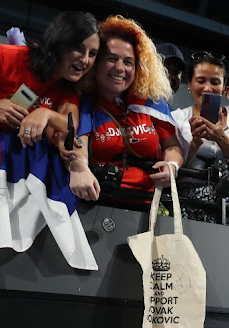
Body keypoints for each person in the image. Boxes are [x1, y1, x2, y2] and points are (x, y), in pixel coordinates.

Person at [64, 15, 183, 202]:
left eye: (128, 62)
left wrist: (172, 166)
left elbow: (173, 146)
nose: (120, 68)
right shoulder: (84, 102)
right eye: (112, 59)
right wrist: (80, 167)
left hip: (148, 205)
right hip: (96, 203)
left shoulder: (152, 104)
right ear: (95, 63)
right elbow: (79, 144)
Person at [172, 51, 229, 223]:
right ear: (189, 84)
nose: (208, 88)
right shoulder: (177, 117)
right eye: (201, 81)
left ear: (224, 87)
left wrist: (221, 138)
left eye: (215, 82)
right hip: (188, 201)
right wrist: (194, 143)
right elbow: (173, 172)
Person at [0, 11, 99, 149]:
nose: (85, 60)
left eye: (92, 54)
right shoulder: (6, 56)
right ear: (60, 43)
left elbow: (71, 124)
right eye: (78, 49)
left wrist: (47, 114)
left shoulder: (67, 84)